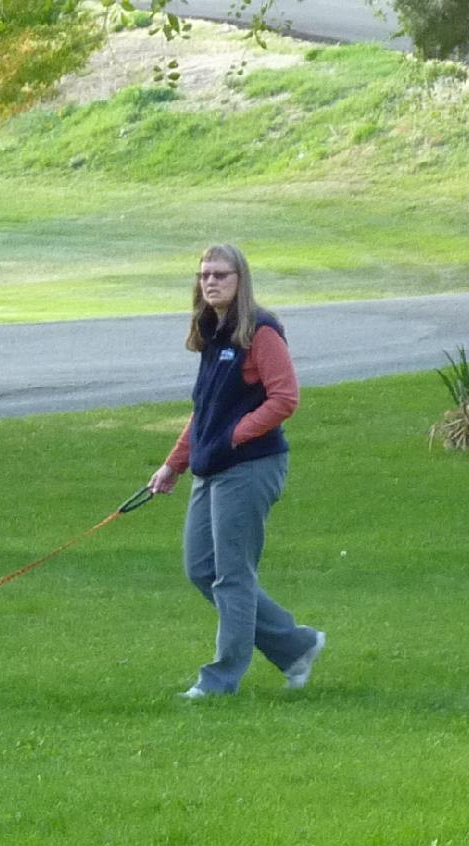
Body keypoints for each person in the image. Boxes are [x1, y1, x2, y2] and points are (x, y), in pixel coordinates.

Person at [146, 244, 325, 698]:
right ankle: (296, 646)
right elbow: (205, 411)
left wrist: (233, 437)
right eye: (204, 274)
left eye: (220, 274)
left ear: (240, 280)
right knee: (201, 568)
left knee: (232, 576)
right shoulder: (212, 332)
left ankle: (220, 680)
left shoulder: (260, 331)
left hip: (250, 466)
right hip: (212, 466)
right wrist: (173, 464)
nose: (210, 282)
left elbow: (285, 398)